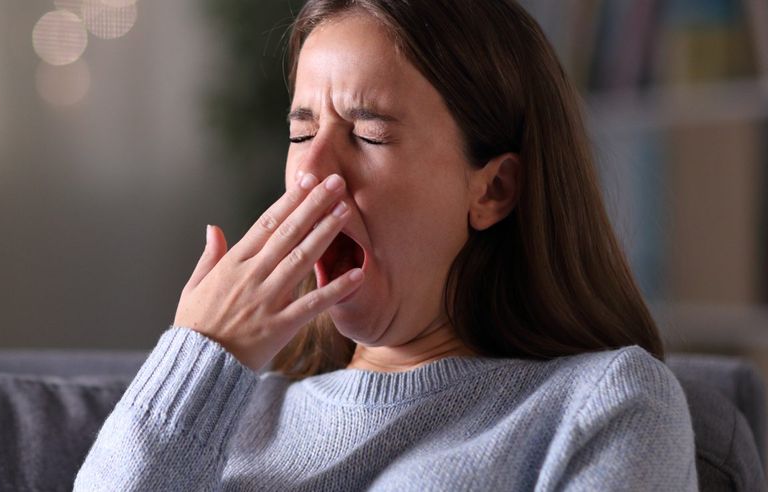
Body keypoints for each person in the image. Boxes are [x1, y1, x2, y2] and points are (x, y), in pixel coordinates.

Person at [75, 0, 696, 490]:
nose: (312, 172)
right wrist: (199, 360)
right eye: (302, 131)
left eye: (368, 132)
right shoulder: (221, 415)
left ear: (494, 189)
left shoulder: (604, 404)